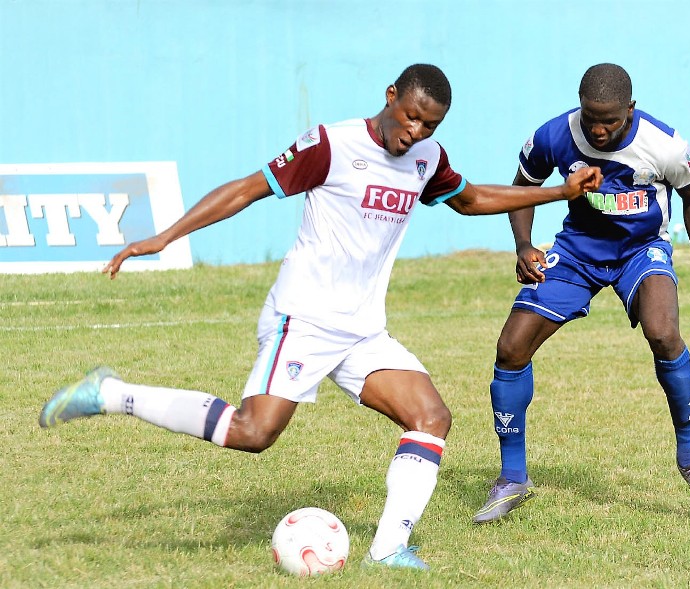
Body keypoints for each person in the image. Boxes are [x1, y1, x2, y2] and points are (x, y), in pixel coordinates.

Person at [39, 64, 602, 570]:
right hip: (303, 318)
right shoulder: (332, 145)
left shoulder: (428, 158)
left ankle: (388, 551)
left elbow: (471, 198)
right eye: (410, 117)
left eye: (429, 126)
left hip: (361, 329)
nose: (416, 133)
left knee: (430, 416)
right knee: (253, 433)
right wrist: (163, 238)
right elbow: (248, 189)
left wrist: (559, 193)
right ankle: (111, 393)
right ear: (390, 97)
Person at [473, 63, 690, 525]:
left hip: (640, 250)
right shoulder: (555, 134)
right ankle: (512, 477)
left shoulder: (664, 144)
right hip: (575, 252)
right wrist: (525, 245)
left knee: (664, 332)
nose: (598, 128)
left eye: (609, 119)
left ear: (631, 108)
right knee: (511, 347)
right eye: (591, 117)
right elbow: (522, 186)